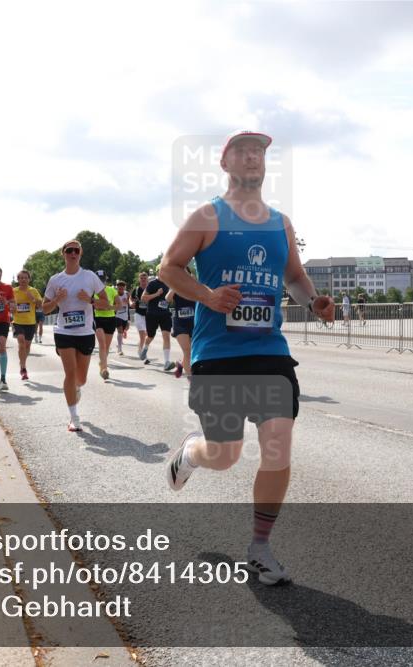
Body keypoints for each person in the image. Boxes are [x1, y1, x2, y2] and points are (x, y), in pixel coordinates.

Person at [159, 130, 334, 584]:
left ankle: (260, 547)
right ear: (225, 162)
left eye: (260, 151)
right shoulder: (207, 216)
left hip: (269, 351)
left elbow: (294, 276)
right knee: (225, 455)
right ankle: (192, 453)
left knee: (278, 445)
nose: (254, 156)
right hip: (218, 352)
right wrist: (208, 295)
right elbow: (169, 269)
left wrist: (313, 301)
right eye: (244, 150)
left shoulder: (280, 223)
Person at [42, 240, 109, 432]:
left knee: (81, 378)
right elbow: (45, 309)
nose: (73, 253)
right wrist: (56, 300)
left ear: (80, 253)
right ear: (63, 253)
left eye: (76, 250)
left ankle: (76, 388)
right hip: (64, 332)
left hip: (85, 333)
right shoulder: (56, 280)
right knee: (70, 374)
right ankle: (74, 417)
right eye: (69, 250)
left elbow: (106, 303)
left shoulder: (89, 277)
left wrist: (89, 299)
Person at [13, 270, 44, 381]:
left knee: (27, 346)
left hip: (30, 322)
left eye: (25, 278)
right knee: (21, 342)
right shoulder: (14, 291)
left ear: (29, 279)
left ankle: (22, 362)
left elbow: (40, 305)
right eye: (21, 278)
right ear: (18, 280)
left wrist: (32, 299)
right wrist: (11, 307)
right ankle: (24, 368)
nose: (23, 280)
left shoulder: (33, 290)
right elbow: (10, 304)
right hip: (18, 321)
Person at [141, 272, 175, 370]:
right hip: (152, 314)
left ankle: (167, 362)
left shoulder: (169, 283)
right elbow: (143, 298)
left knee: (166, 337)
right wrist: (157, 294)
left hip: (165, 314)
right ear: (158, 272)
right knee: (151, 336)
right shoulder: (152, 284)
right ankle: (145, 347)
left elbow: (170, 300)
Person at [168, 268, 196, 378]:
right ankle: (191, 380)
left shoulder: (195, 286)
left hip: (193, 322)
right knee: (187, 350)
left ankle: (180, 364)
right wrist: (175, 286)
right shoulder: (175, 286)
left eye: (186, 273)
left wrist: (195, 282)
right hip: (179, 322)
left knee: (190, 352)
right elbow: (167, 298)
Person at [92, 270, 119, 380]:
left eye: (103, 279)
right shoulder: (93, 291)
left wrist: (109, 307)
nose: (101, 282)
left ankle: (102, 363)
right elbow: (95, 305)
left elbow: (119, 304)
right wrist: (102, 306)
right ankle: (104, 369)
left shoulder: (112, 290)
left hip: (111, 319)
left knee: (106, 347)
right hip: (98, 319)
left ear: (105, 279)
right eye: (99, 280)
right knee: (102, 344)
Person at [130, 272, 150, 359]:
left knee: (147, 335)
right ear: (139, 279)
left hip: (148, 315)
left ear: (147, 279)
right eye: (141, 278)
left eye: (144, 278)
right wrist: (131, 303)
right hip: (138, 314)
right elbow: (130, 298)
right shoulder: (137, 289)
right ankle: (142, 353)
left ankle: (140, 348)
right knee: (142, 335)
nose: (143, 280)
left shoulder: (150, 288)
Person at [113, 280, 131, 356]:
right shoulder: (115, 295)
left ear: (124, 288)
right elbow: (112, 305)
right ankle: (119, 349)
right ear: (117, 288)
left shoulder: (127, 294)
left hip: (125, 315)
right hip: (117, 315)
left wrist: (128, 301)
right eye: (119, 288)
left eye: (122, 288)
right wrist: (117, 305)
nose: (120, 290)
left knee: (126, 328)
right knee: (120, 330)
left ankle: (123, 334)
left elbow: (130, 302)